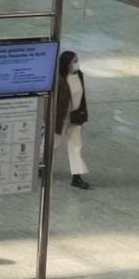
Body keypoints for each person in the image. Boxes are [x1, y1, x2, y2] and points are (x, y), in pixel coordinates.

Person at [53, 50, 90, 191]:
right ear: (66, 64)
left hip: (74, 117)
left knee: (76, 146)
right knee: (53, 144)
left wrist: (82, 114)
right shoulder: (58, 79)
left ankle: (77, 177)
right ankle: (42, 165)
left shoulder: (79, 75)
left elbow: (82, 97)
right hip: (60, 118)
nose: (77, 64)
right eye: (74, 61)